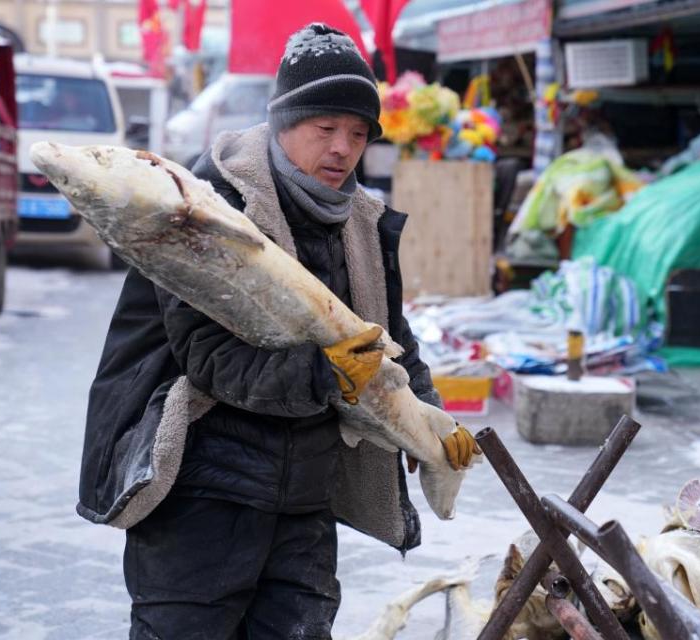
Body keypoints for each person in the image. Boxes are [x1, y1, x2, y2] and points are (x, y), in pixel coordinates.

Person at [76, 23, 479, 640]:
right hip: (204, 491)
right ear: (283, 122)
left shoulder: (359, 225)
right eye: (325, 130)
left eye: (358, 133)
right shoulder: (202, 210)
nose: (342, 149)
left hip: (304, 498)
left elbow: (389, 339)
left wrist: (431, 418)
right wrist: (326, 372)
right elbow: (209, 360)